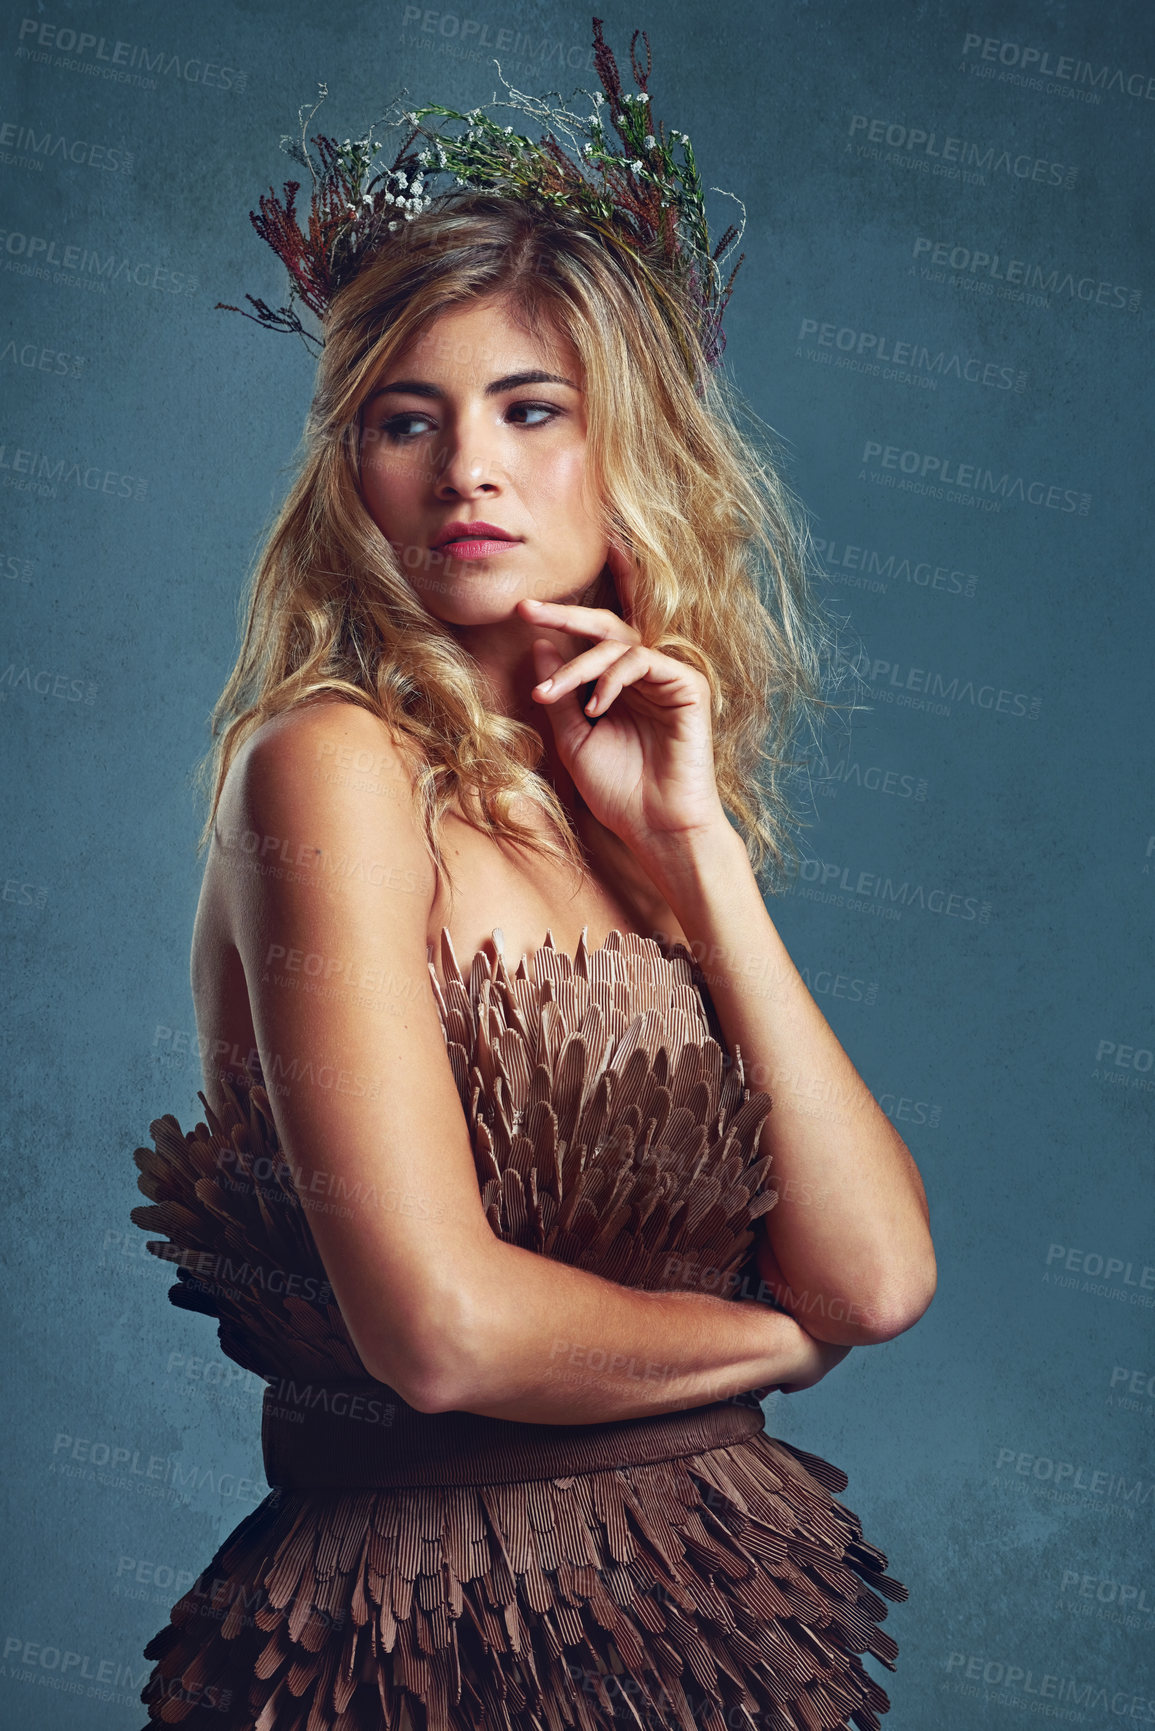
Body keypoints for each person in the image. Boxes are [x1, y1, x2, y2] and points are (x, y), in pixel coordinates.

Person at [130, 23, 936, 1730]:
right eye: (405, 419)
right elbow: (440, 1331)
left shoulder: (622, 808)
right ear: (351, 469)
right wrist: (769, 1354)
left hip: (724, 1611)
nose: (468, 468)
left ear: (624, 444)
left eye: (528, 407)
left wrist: (699, 854)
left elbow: (875, 1276)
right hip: (430, 1637)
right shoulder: (331, 766)